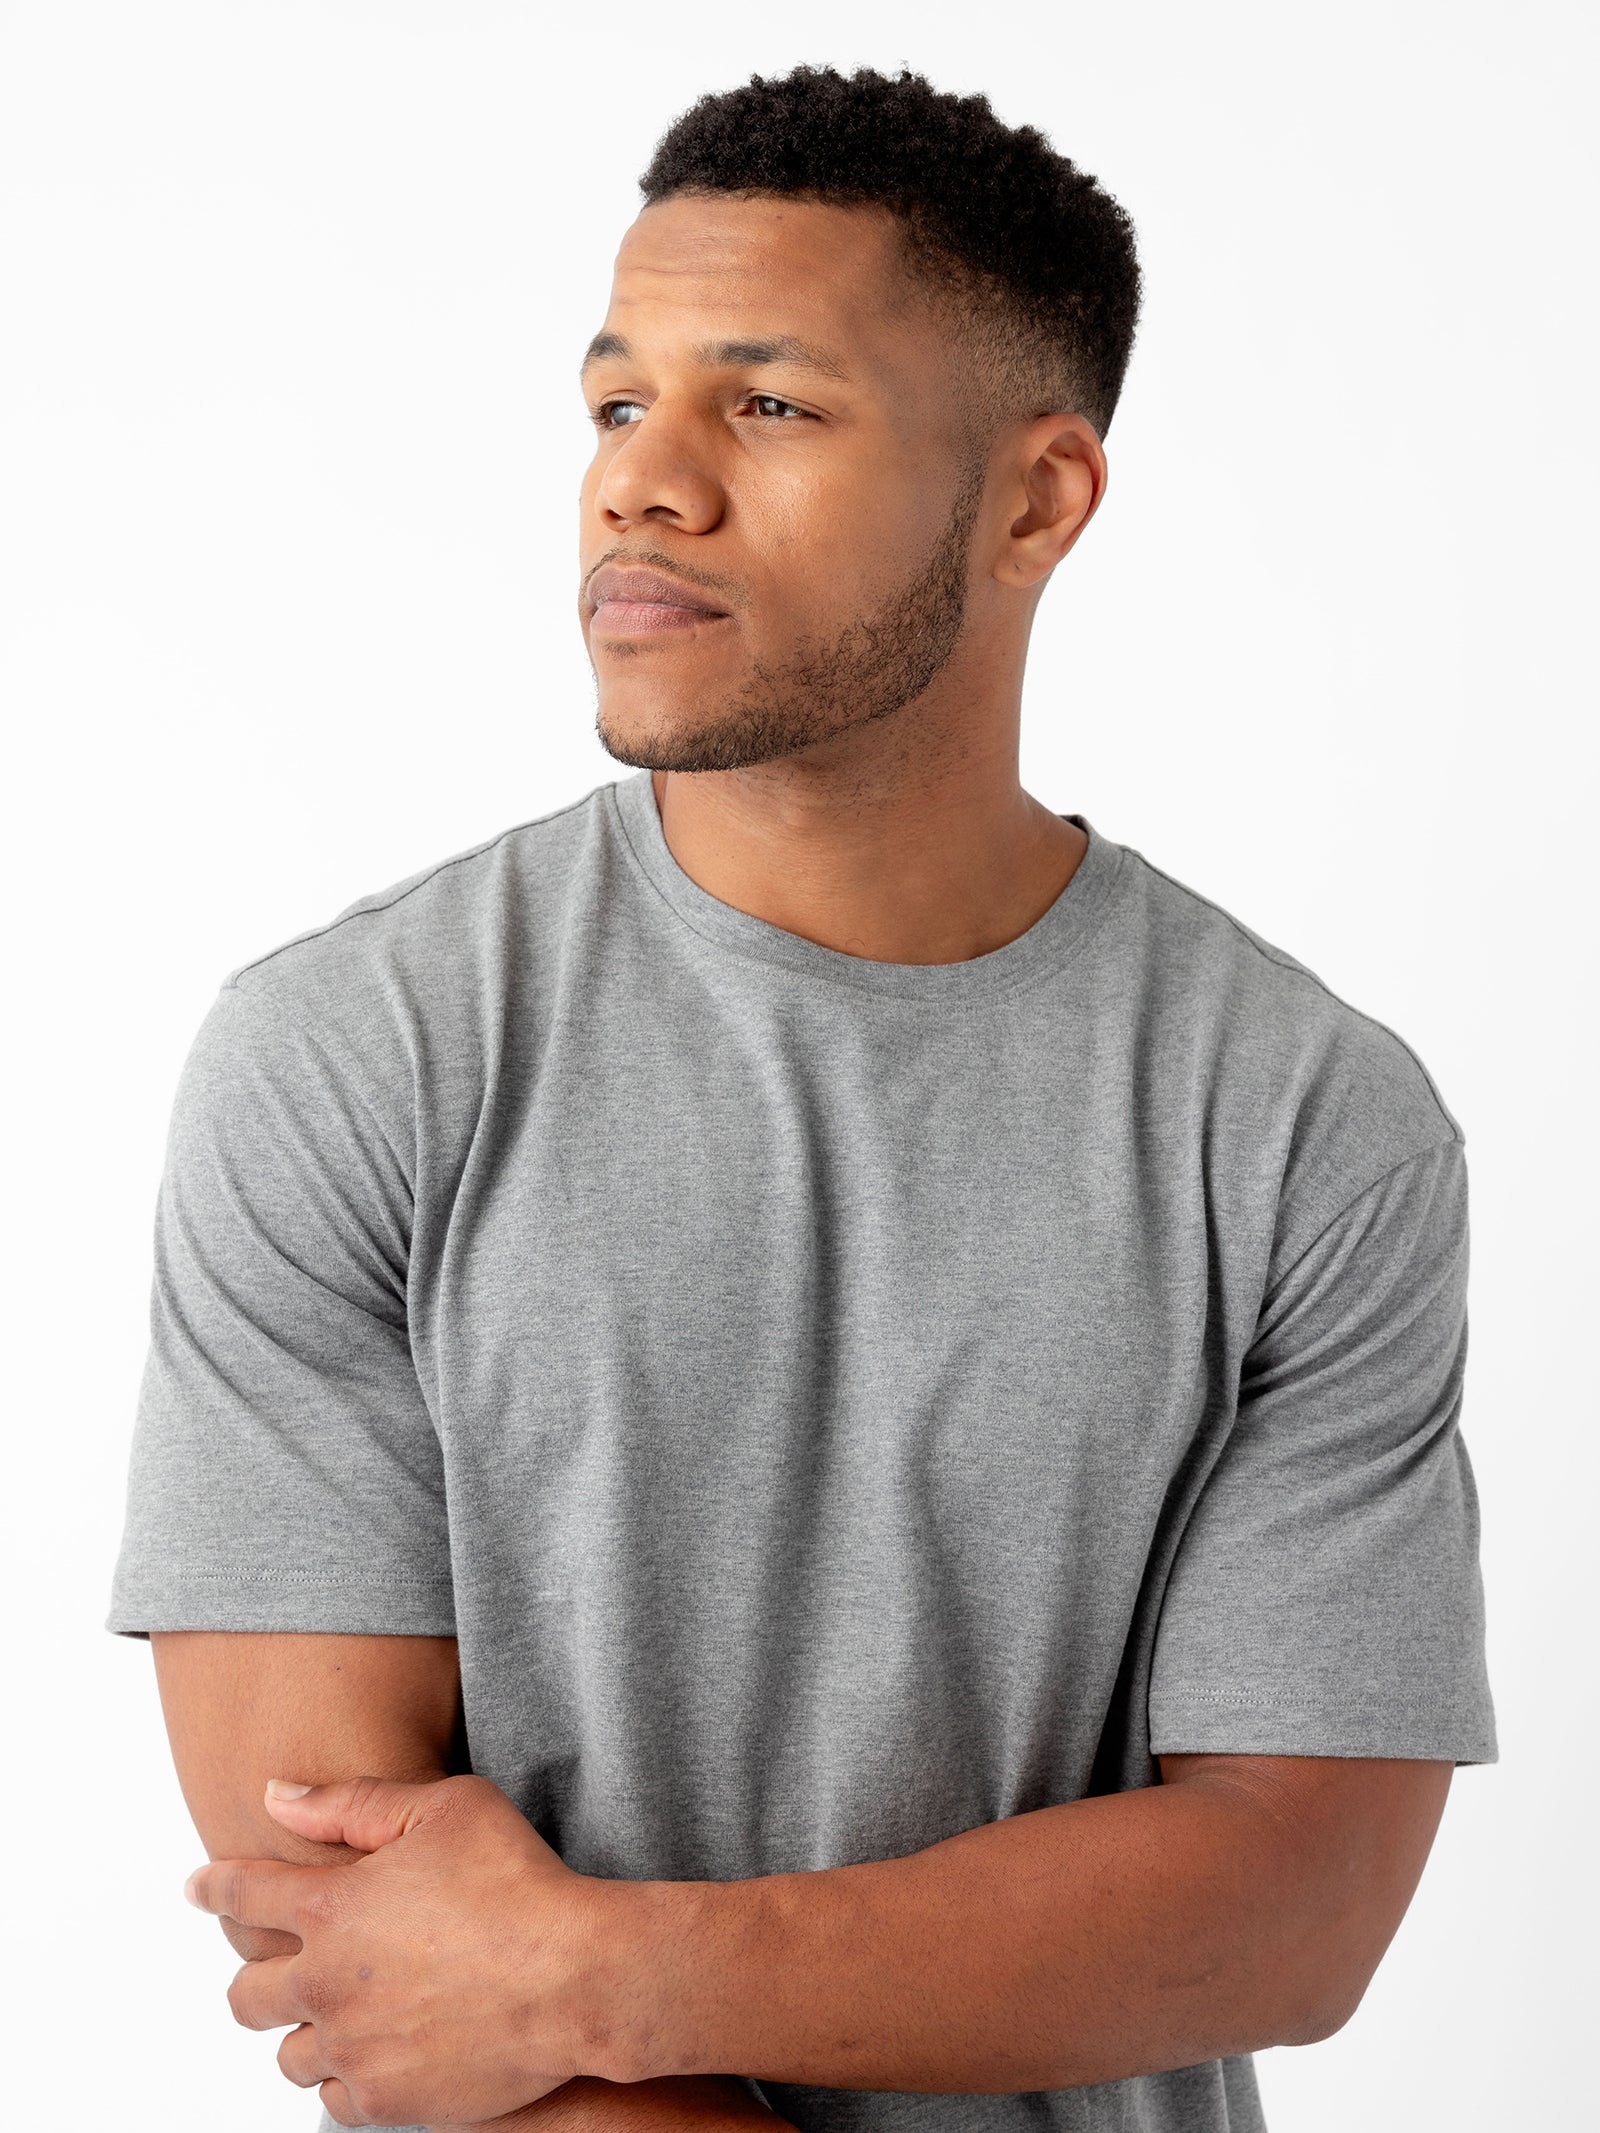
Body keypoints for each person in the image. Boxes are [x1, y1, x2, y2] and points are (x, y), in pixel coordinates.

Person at [109, 63, 1496, 2133]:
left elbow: (1288, 1902)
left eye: (762, 403)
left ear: (1032, 502)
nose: (637, 484)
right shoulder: (353, 1054)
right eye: (611, 401)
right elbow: (355, 1925)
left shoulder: (1302, 1122)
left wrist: (603, 1968)